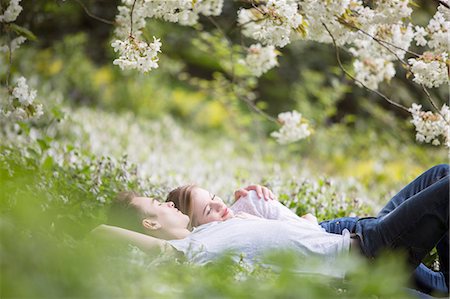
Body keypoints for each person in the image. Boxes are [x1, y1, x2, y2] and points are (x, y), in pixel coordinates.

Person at [94, 165, 449, 294]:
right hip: (368, 251)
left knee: (441, 173)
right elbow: (156, 249)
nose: (166, 203)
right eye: (157, 205)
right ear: (150, 224)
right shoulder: (195, 249)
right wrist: (101, 231)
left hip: (360, 241)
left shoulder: (209, 235)